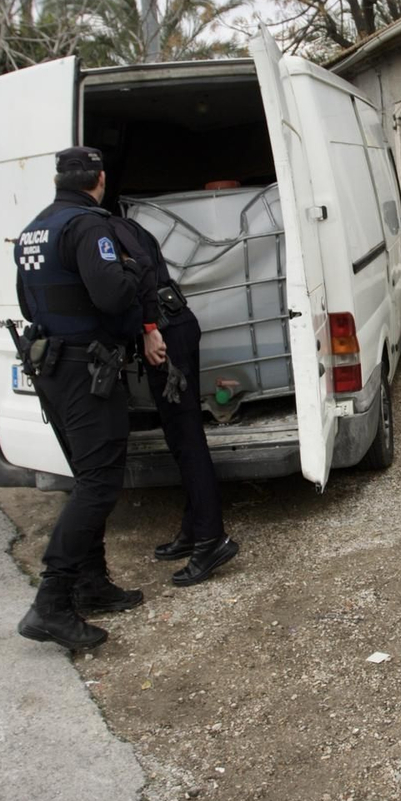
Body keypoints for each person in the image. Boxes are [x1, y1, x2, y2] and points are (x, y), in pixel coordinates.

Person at [12, 146, 151, 650]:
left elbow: (30, 301)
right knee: (99, 481)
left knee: (86, 474)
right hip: (85, 367)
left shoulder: (35, 228)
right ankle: (50, 603)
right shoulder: (88, 226)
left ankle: (92, 584)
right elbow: (112, 296)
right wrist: (135, 270)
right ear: (100, 179)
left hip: (52, 364)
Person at [106, 211, 236, 586]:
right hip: (172, 326)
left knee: (188, 439)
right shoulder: (118, 225)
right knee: (181, 440)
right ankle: (195, 529)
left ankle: (212, 539)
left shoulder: (108, 230)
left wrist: (147, 328)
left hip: (167, 333)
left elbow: (142, 268)